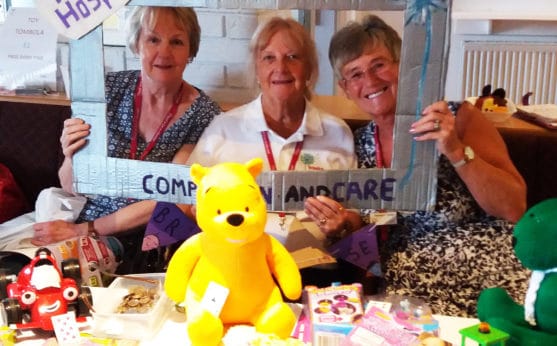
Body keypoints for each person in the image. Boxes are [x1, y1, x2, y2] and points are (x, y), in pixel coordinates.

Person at [304, 14, 530, 316]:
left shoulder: (455, 118)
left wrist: (456, 151)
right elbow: (367, 225)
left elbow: (514, 207)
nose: (370, 80)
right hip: (409, 294)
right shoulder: (358, 144)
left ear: (404, 66)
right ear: (345, 88)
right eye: (355, 74)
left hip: (487, 285)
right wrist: (343, 222)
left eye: (379, 65)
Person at [31, 6, 221, 272]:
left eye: (176, 41)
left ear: (191, 51)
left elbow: (172, 198)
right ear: (136, 44)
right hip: (81, 220)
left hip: (149, 238)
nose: (164, 52)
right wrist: (71, 155)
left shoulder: (204, 114)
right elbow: (72, 185)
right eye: (153, 39)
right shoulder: (107, 90)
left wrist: (85, 231)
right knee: (26, 273)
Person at [186, 16, 364, 287]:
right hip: (238, 270)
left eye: (293, 56)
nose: (281, 67)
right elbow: (189, 200)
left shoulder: (337, 132)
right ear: (256, 69)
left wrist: (343, 222)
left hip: (317, 275)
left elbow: (359, 214)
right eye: (268, 57)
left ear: (309, 70)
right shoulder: (223, 129)